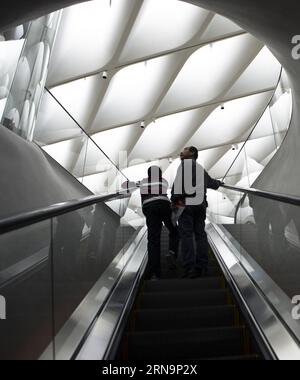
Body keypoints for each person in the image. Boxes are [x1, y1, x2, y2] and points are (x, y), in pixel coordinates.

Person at [171, 146, 223, 278]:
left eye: (185, 150)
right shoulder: (200, 169)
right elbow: (212, 183)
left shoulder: (183, 166)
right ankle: (203, 266)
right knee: (200, 235)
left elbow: (178, 184)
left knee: (187, 235)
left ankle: (190, 268)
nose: (181, 152)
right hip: (200, 205)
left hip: (187, 204)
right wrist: (219, 183)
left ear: (192, 153)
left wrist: (174, 200)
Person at [123, 166, 179, 280]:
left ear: (148, 174)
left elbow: (125, 185)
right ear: (160, 174)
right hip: (164, 205)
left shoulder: (143, 182)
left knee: (153, 239)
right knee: (174, 230)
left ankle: (155, 272)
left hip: (150, 207)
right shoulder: (164, 181)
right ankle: (172, 251)